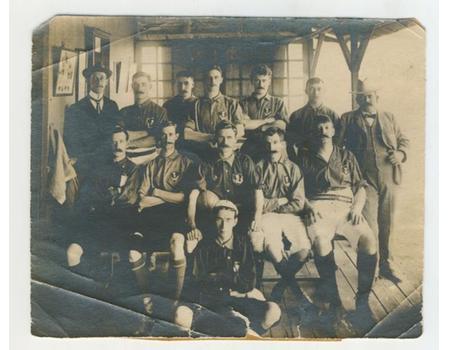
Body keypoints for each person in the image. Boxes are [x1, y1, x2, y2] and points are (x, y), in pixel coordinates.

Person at [298, 115, 377, 333]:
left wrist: (357, 208)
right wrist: (306, 206)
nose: (323, 131)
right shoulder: (304, 158)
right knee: (322, 244)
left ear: (333, 131)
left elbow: (361, 186)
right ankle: (335, 304)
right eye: (319, 128)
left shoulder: (347, 156)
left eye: (327, 127)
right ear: (314, 133)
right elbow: (296, 190)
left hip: (346, 207)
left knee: (369, 242)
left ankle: (362, 301)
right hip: (318, 207)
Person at [171, 200, 281, 337]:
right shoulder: (204, 246)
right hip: (215, 302)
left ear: (235, 221)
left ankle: (248, 333)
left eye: (228, 220)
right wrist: (233, 281)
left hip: (239, 299)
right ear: (214, 221)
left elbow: (249, 281)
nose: (224, 225)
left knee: (273, 310)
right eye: (219, 220)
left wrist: (218, 277)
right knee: (225, 318)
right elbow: (198, 282)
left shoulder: (243, 243)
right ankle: (242, 333)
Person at [338, 79, 409, 283]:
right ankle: (372, 267)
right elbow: (338, 148)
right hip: (364, 181)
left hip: (389, 177)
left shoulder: (389, 117)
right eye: (363, 96)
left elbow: (404, 140)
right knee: (369, 226)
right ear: (358, 98)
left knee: (388, 223)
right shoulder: (347, 119)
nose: (367, 99)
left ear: (377, 97)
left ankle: (388, 264)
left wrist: (401, 154)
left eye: (370, 95)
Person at [130, 121, 196, 293]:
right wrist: (169, 197)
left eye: (171, 134)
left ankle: (175, 299)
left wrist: (157, 192)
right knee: (133, 251)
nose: (167, 138)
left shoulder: (186, 163)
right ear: (160, 137)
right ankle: (145, 296)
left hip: (175, 215)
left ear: (177, 136)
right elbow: (142, 199)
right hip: (151, 214)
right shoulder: (151, 165)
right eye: (164, 134)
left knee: (177, 243)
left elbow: (184, 197)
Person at [66, 126, 141, 280]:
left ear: (127, 143)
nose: (117, 145)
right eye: (114, 142)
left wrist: (105, 194)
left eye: (121, 141)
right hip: (97, 220)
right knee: (72, 252)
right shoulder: (99, 168)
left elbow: (129, 198)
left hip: (122, 223)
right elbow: (87, 194)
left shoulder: (134, 169)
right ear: (109, 144)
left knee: (125, 260)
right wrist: (115, 189)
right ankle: (87, 290)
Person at [250, 127, 312, 307]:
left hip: (290, 216)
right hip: (267, 216)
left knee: (303, 251)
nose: (272, 147)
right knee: (274, 249)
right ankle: (297, 292)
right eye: (268, 143)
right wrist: (279, 201)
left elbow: (298, 203)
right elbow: (257, 204)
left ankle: (282, 285)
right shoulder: (259, 168)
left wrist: (274, 204)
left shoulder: (293, 168)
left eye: (276, 142)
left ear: (283, 144)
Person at [64, 63, 120, 181]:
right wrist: (79, 158)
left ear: (106, 82)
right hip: (86, 164)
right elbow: (70, 138)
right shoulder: (76, 108)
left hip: (109, 161)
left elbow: (117, 133)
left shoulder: (112, 106)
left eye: (102, 78)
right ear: (88, 81)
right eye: (95, 78)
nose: (99, 81)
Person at [184, 65, 245, 157]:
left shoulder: (232, 103)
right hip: (202, 153)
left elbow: (240, 130)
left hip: (227, 153)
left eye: (216, 77)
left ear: (221, 80)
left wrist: (223, 140)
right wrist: (212, 137)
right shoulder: (194, 105)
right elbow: (187, 133)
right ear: (204, 81)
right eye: (209, 78)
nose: (213, 82)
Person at [240, 64, 289, 161]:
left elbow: (282, 125)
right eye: (257, 80)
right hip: (251, 149)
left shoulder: (278, 103)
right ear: (252, 81)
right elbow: (244, 124)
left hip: (274, 149)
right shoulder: (243, 103)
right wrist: (267, 121)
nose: (261, 85)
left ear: (269, 81)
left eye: (264, 81)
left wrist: (261, 127)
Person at [286, 77, 340, 159]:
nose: (316, 93)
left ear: (324, 91)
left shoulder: (332, 115)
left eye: (319, 89)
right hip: (304, 159)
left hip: (327, 158)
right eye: (312, 89)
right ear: (306, 91)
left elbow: (338, 141)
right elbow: (290, 142)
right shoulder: (297, 116)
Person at [119, 71, 168, 149]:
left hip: (151, 157)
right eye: (136, 84)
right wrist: (147, 133)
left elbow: (157, 138)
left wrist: (129, 140)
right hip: (127, 156)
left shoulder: (160, 111)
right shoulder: (124, 112)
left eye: (143, 84)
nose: (139, 88)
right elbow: (119, 136)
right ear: (132, 86)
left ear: (150, 86)